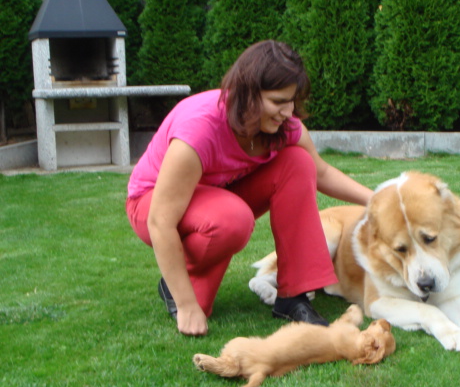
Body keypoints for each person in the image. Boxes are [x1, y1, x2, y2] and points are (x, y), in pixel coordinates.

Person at [125, 40, 373, 336]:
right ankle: (176, 281)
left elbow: (322, 172)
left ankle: (292, 296)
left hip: (218, 199)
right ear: (247, 93)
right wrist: (188, 305)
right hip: (152, 203)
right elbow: (160, 220)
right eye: (278, 101)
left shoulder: (284, 126)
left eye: (291, 100)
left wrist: (377, 200)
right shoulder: (200, 129)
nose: (288, 111)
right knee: (231, 222)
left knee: (298, 162)